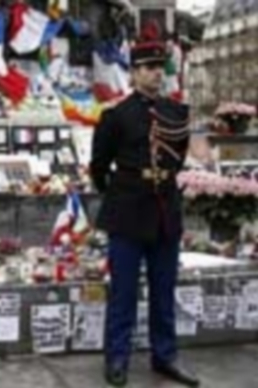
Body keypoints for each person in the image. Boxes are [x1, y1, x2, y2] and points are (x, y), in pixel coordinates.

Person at [91, 24, 199, 387]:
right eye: (148, 67)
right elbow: (98, 167)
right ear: (134, 72)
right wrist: (125, 190)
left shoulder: (176, 113)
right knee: (123, 292)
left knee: (164, 291)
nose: (156, 73)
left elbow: (177, 160)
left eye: (159, 67)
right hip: (127, 213)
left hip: (165, 213)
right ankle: (117, 358)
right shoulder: (116, 115)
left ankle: (165, 356)